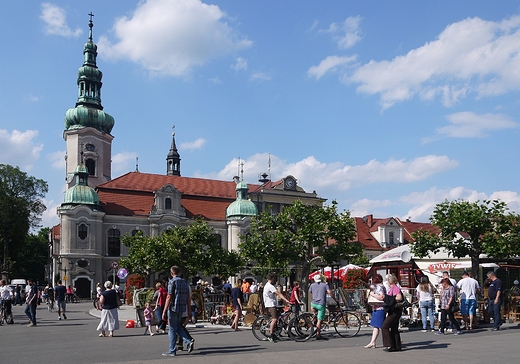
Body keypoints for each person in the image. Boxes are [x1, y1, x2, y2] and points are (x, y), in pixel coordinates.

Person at [162, 266, 194, 357]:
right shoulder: (184, 282)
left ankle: (172, 350)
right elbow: (188, 297)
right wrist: (188, 309)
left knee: (172, 329)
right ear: (179, 272)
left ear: (172, 273)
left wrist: (164, 310)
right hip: (182, 307)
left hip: (173, 307)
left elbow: (169, 296)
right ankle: (188, 341)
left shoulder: (172, 282)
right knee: (178, 326)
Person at [263, 273, 290, 342]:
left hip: (272, 304)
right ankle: (271, 335)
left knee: (279, 317)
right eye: (274, 278)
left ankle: (276, 333)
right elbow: (278, 293)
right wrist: (286, 300)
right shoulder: (270, 286)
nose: (275, 280)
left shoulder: (267, 285)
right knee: (274, 319)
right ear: (272, 278)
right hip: (271, 305)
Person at [309, 274, 335, 340]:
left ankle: (312, 322)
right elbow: (329, 292)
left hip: (313, 303)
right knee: (319, 320)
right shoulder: (325, 285)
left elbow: (310, 292)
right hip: (321, 304)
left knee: (315, 315)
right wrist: (334, 298)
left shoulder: (312, 285)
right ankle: (318, 334)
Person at [381, 274, 403, 352]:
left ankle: (390, 345)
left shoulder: (395, 288)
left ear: (390, 282)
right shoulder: (394, 288)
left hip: (394, 310)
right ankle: (397, 345)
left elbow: (399, 298)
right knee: (394, 328)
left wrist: (391, 299)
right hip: (396, 310)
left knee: (384, 327)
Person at [364, 274, 386, 348]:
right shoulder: (380, 286)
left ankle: (373, 342)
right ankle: (373, 342)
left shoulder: (380, 287)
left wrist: (373, 295)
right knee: (377, 326)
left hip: (379, 308)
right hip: (378, 308)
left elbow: (381, 297)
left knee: (378, 326)